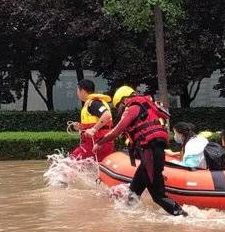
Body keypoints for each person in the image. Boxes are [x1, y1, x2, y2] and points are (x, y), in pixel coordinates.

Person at [93, 85, 187, 216]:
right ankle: (127, 217)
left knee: (158, 196)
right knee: (134, 189)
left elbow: (116, 131)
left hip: (150, 151)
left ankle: (183, 216)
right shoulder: (147, 105)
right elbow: (165, 114)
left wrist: (99, 143)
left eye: (119, 105)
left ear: (124, 99)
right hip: (152, 151)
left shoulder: (132, 108)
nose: (119, 109)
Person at [70, 79, 115, 161]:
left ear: (82, 91)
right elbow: (93, 123)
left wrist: (94, 129)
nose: (77, 93)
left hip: (97, 143)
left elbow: (107, 115)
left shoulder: (93, 103)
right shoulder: (90, 103)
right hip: (99, 143)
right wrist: (80, 127)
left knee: (70, 161)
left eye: (77, 90)